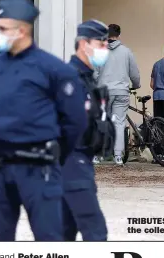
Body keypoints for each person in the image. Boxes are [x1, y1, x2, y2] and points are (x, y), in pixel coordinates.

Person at [0, 0, 88, 241]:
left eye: (2, 28)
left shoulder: (54, 70)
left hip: (38, 169)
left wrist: (53, 152)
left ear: (22, 30)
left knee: (49, 240)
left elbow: (75, 122)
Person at [62, 19, 112, 241]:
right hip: (72, 166)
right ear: (84, 44)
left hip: (81, 163)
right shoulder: (68, 79)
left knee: (63, 234)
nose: (105, 49)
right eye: (101, 44)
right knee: (95, 233)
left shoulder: (88, 80)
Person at [94, 23, 141, 165]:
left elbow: (94, 73)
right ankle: (118, 157)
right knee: (119, 123)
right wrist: (136, 85)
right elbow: (134, 73)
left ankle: (97, 155)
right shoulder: (127, 52)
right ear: (119, 35)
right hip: (121, 91)